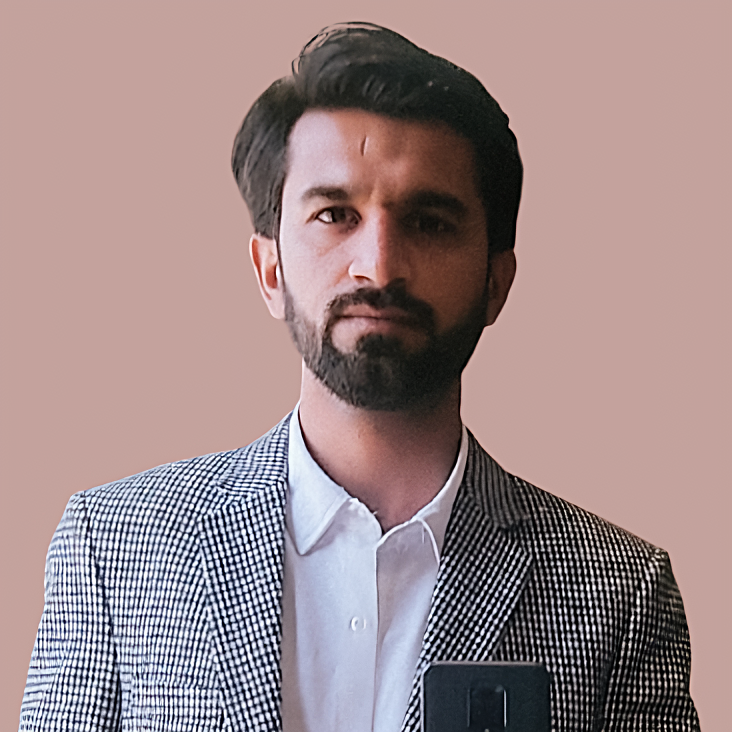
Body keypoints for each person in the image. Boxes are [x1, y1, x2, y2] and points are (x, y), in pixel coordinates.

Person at [20, 22, 699, 732]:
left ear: (496, 283)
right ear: (271, 270)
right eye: (335, 214)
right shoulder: (115, 547)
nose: (379, 265)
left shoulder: (620, 592)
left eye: (429, 222)